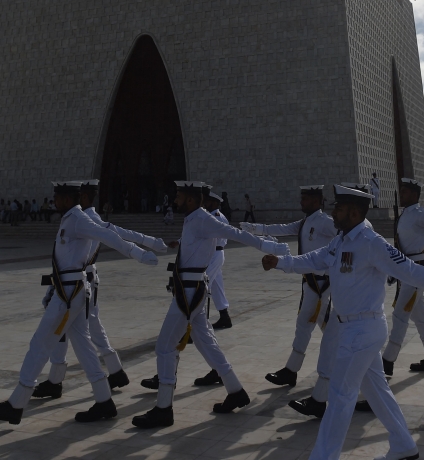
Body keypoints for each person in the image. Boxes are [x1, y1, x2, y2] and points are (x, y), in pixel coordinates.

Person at [262, 184, 424, 460]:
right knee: (377, 392)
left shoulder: (372, 243)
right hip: (351, 329)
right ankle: (404, 447)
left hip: (363, 330)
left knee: (340, 396)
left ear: (355, 213)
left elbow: (409, 270)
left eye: (339, 208)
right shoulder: (341, 240)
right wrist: (281, 262)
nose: (333, 213)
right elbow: (316, 259)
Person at [0, 181, 160, 425]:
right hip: (67, 291)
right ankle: (104, 400)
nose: (54, 202)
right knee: (83, 345)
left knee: (40, 343)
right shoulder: (69, 219)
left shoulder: (78, 219)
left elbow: (110, 236)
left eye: (57, 197)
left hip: (69, 295)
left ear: (67, 199)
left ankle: (15, 404)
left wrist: (142, 254)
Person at [131, 181, 289, 429]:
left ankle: (163, 408)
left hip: (190, 292)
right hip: (189, 289)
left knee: (164, 346)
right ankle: (235, 390)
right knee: (206, 342)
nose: (175, 200)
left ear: (191, 200)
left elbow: (235, 233)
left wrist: (270, 246)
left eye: (179, 196)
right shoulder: (193, 218)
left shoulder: (204, 219)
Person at [32, 181, 169, 402]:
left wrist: (145, 248)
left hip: (79, 283)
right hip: (77, 281)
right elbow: (121, 233)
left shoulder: (86, 219)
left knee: (78, 329)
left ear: (83, 198)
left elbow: (117, 234)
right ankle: (108, 373)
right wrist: (149, 243)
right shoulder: (79, 218)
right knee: (81, 329)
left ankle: (63, 381)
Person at [241, 185, 338, 415]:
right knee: (314, 326)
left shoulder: (325, 222)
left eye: (305, 199)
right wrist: (256, 228)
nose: (301, 202)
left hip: (320, 283)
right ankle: (292, 370)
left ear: (316, 200)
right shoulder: (305, 222)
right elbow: (283, 228)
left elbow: (342, 239)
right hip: (309, 282)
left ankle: (295, 370)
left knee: (316, 326)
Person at [381, 178, 424, 376]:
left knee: (400, 315)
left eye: (406, 192)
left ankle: (387, 361)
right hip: (405, 269)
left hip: (416, 271)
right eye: (401, 191)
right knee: (420, 317)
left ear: (415, 195)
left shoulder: (421, 214)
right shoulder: (404, 215)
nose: (402, 195)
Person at [204, 190, 233, 331]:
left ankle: (198, 322)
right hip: (213, 253)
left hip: (214, 254)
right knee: (216, 287)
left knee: (202, 285)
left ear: (215, 203)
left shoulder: (216, 217)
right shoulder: (212, 216)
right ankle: (224, 318)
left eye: (208, 201)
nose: (205, 203)